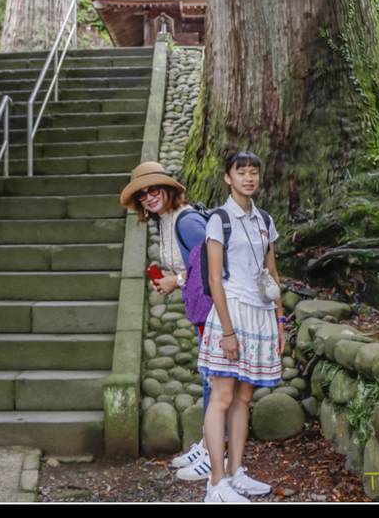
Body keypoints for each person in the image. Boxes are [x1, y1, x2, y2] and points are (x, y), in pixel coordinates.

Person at [196, 150, 285, 503]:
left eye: (253, 172)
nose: (248, 178)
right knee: (222, 396)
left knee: (244, 397)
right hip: (231, 313)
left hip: (261, 314)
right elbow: (215, 279)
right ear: (228, 178)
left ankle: (235, 473)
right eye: (241, 172)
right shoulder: (219, 219)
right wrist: (228, 332)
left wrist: (280, 321)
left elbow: (273, 275)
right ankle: (216, 483)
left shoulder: (264, 218)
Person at [120, 161, 213, 482]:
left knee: (214, 381)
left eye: (153, 190)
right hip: (204, 311)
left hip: (217, 313)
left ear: (169, 189)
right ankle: (208, 444)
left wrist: (177, 280)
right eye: (141, 195)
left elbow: (216, 261)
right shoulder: (165, 221)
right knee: (208, 379)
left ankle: (217, 454)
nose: (148, 197)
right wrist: (174, 279)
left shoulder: (185, 222)